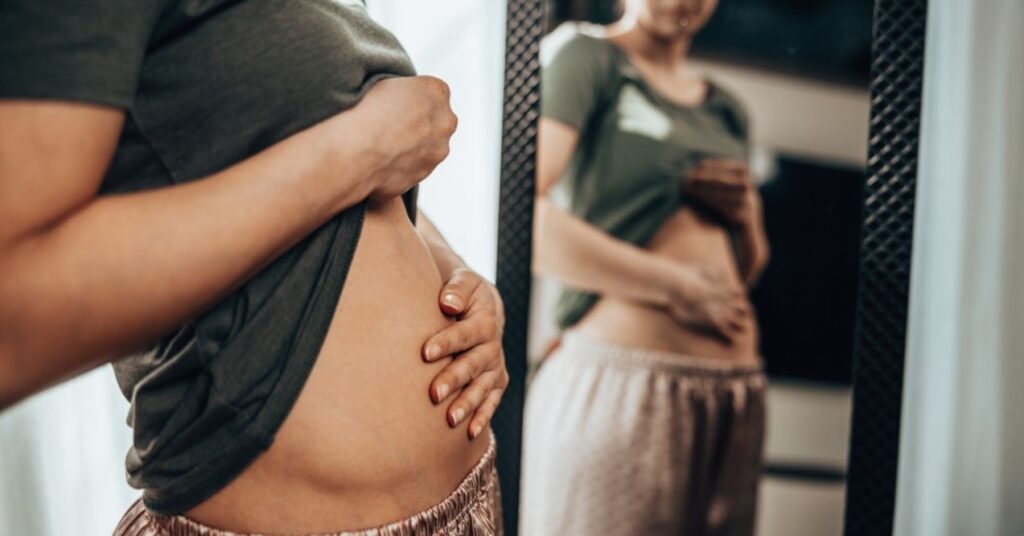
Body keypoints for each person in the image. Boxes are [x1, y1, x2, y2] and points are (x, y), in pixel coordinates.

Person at [0, 1, 508, 534]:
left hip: (467, 500)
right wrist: (359, 151)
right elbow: (16, 312)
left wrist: (451, 270)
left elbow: (290, 171)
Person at [521, 0, 770, 534]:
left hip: (736, 397)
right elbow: (526, 223)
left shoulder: (727, 108)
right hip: (626, 387)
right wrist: (677, 288)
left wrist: (747, 215)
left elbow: (748, 269)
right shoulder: (586, 57)